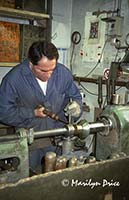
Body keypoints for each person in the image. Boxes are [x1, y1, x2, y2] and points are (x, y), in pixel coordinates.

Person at [0, 40, 82, 171]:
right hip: (30, 145)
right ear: (31, 64)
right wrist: (32, 113)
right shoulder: (13, 79)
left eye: (52, 70)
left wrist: (77, 107)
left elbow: (76, 97)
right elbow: (3, 112)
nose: (49, 75)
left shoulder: (63, 74)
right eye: (43, 70)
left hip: (58, 141)